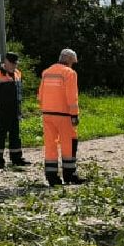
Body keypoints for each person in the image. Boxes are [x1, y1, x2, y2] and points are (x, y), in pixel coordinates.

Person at [38, 48, 83, 186]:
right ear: (69, 60)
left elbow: (40, 95)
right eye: (73, 62)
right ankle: (69, 175)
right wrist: (74, 115)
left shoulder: (46, 72)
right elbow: (71, 96)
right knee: (68, 144)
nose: (73, 65)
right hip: (63, 114)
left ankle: (51, 177)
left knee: (50, 145)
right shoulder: (69, 73)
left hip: (47, 113)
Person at [0, 52, 30, 170]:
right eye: (12, 63)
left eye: (15, 63)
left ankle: (16, 158)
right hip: (3, 111)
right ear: (5, 62)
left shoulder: (18, 73)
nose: (14, 66)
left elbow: (20, 91)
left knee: (15, 135)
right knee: (0, 135)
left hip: (15, 109)